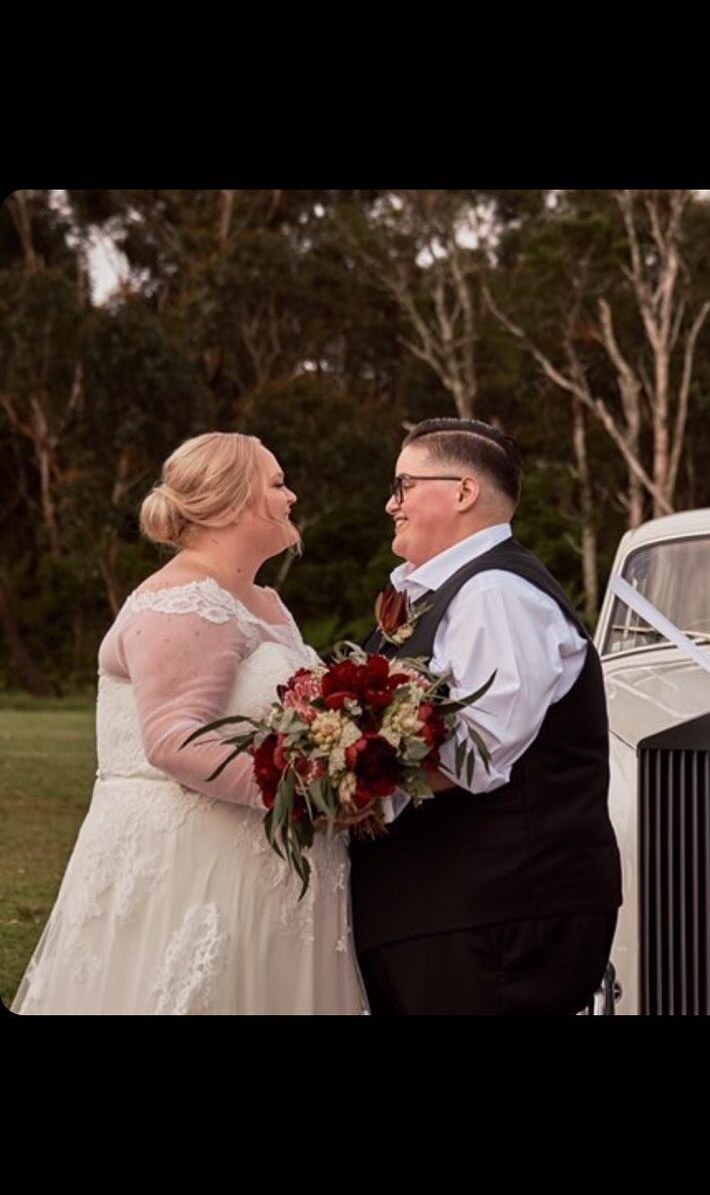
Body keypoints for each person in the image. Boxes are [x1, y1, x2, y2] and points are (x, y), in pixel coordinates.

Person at [11, 432, 366, 1015]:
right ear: (229, 506)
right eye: (277, 484)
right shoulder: (181, 600)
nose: (292, 496)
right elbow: (176, 741)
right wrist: (310, 797)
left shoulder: (268, 603)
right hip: (197, 869)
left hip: (272, 870)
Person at [350, 418, 622, 1014]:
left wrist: (349, 782)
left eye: (404, 485)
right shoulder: (443, 594)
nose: (390, 503)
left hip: (495, 911)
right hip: (445, 909)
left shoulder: (495, 594)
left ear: (463, 492)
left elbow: (478, 751)